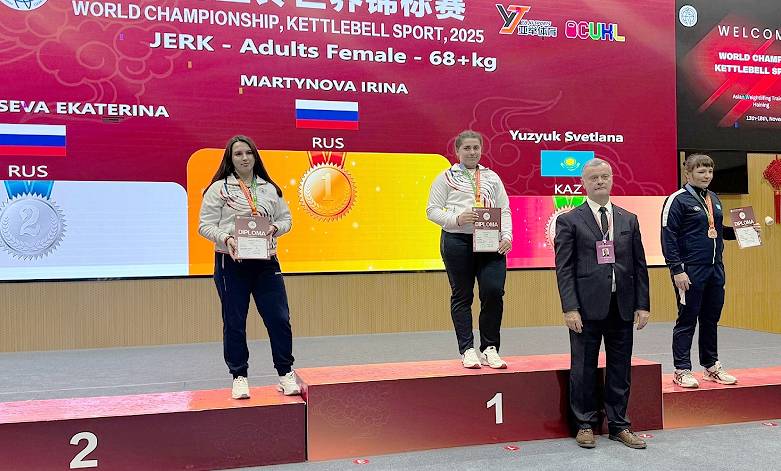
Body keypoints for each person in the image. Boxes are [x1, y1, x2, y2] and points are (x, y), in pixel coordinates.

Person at [554, 158, 650, 449]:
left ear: (611, 179)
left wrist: (642, 304)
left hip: (622, 305)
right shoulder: (569, 220)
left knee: (620, 367)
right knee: (583, 367)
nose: (599, 181)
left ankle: (619, 424)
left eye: (604, 176)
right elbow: (564, 268)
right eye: (593, 178)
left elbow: (639, 265)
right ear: (583, 183)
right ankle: (584, 424)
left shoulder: (628, 218)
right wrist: (570, 307)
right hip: (585, 308)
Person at [199, 135, 300, 399]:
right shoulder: (219, 189)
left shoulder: (270, 188)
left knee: (279, 319)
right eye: (238, 154)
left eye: (248, 153)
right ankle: (239, 376)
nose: (244, 158)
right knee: (235, 321)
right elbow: (205, 225)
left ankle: (285, 373)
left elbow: (287, 220)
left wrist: (275, 228)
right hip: (231, 262)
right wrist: (227, 238)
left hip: (266, 263)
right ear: (230, 159)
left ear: (255, 156)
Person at [661, 153, 760, 388]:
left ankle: (710, 366)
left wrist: (743, 231)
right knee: (687, 319)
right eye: (701, 171)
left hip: (715, 269)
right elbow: (668, 236)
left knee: (711, 319)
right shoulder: (677, 200)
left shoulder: (713, 198)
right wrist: (677, 270)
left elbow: (717, 230)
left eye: (710, 171)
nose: (707, 176)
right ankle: (681, 369)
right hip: (690, 270)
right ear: (688, 173)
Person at [426, 130, 512, 369]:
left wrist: (507, 236)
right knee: (462, 295)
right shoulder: (445, 177)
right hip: (457, 241)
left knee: (493, 292)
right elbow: (432, 210)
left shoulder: (492, 177)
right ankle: (467, 349)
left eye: (476, 148)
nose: (472, 152)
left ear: (481, 150)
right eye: (467, 148)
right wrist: (456, 218)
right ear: (457, 151)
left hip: (490, 241)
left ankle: (490, 348)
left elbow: (504, 209)